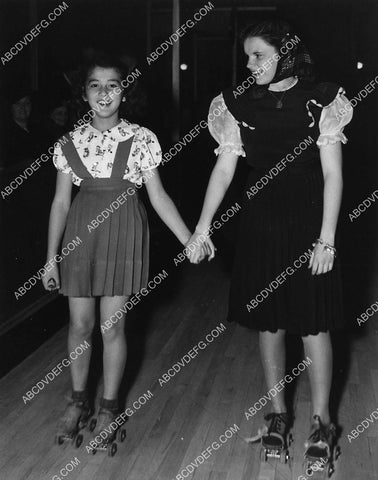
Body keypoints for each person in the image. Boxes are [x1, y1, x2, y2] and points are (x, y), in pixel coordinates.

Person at [187, 19, 352, 465]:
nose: (249, 63)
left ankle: (322, 424)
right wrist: (202, 227)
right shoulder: (237, 103)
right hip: (260, 223)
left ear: (285, 54)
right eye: (246, 56)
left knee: (314, 322)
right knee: (270, 322)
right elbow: (224, 169)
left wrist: (328, 239)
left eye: (257, 54)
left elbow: (334, 173)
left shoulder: (322, 99)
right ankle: (278, 415)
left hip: (309, 221)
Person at [42, 53, 194, 447]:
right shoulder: (69, 142)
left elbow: (158, 197)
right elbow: (60, 203)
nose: (104, 92)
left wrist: (187, 238)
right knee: (79, 325)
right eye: (96, 85)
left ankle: (109, 407)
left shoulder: (141, 138)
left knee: (113, 327)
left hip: (124, 232)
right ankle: (77, 402)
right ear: (83, 93)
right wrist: (50, 257)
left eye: (113, 84)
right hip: (81, 235)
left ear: (125, 92)